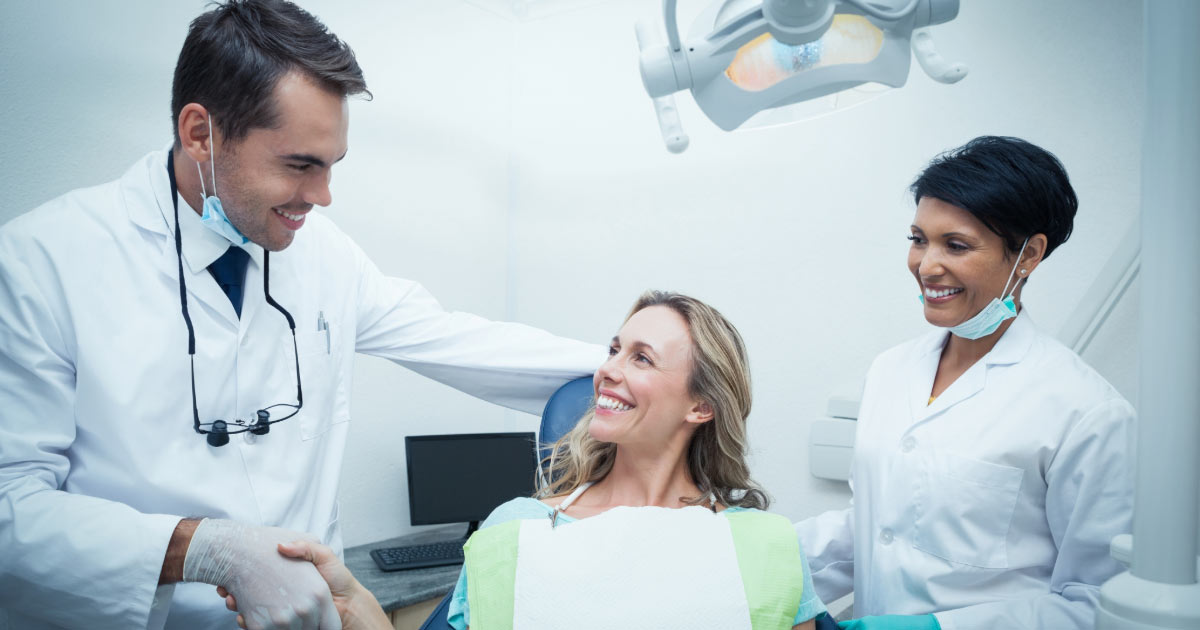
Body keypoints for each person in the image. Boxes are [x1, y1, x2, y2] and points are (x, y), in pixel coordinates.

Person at [0, 2, 603, 629]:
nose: (321, 197)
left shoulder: (322, 253)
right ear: (200, 133)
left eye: (331, 165)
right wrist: (205, 549)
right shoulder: (43, 263)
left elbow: (454, 340)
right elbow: (10, 507)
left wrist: (640, 370)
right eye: (299, 165)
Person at [224, 291, 828, 629]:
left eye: (642, 358)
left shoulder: (763, 547)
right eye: (614, 349)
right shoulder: (517, 530)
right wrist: (355, 603)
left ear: (701, 406)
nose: (609, 368)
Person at [796, 136, 1137, 630]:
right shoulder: (891, 371)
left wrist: (939, 628)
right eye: (918, 239)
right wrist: (758, 558)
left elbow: (1096, 601)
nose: (926, 265)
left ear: (1028, 254)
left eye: (955, 245)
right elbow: (876, 527)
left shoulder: (1086, 413)